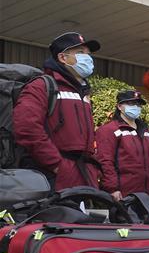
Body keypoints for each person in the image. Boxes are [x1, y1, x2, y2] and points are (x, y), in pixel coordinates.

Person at [13, 32, 100, 190]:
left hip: (84, 176)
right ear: (62, 57)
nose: (87, 58)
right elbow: (27, 128)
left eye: (88, 54)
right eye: (80, 53)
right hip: (54, 178)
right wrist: (57, 165)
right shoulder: (41, 86)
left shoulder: (84, 93)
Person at [95, 90, 149, 200]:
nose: (136, 107)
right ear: (119, 106)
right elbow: (105, 162)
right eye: (131, 104)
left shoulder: (146, 131)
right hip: (124, 196)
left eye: (138, 104)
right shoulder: (109, 130)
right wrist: (112, 188)